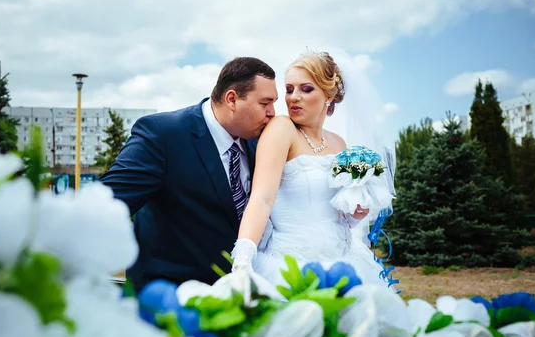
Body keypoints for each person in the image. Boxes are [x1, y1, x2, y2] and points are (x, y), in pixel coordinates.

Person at [100, 57, 278, 292]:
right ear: (232, 99)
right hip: (170, 301)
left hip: (239, 300)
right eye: (265, 103)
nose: (272, 113)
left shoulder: (261, 144)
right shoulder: (162, 135)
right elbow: (106, 204)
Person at [230, 49, 396, 289]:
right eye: (289, 89)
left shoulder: (338, 143)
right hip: (292, 263)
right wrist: (243, 258)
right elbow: (261, 199)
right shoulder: (282, 129)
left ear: (328, 95)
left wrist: (355, 211)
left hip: (344, 260)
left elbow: (340, 215)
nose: (293, 97)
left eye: (305, 89)